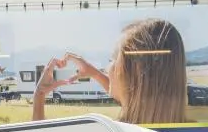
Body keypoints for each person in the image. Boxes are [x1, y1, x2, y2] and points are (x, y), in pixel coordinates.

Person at [31, 18, 188, 125]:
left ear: (134, 75)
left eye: (112, 59)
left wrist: (39, 95)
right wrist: (95, 73)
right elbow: (135, 96)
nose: (108, 69)